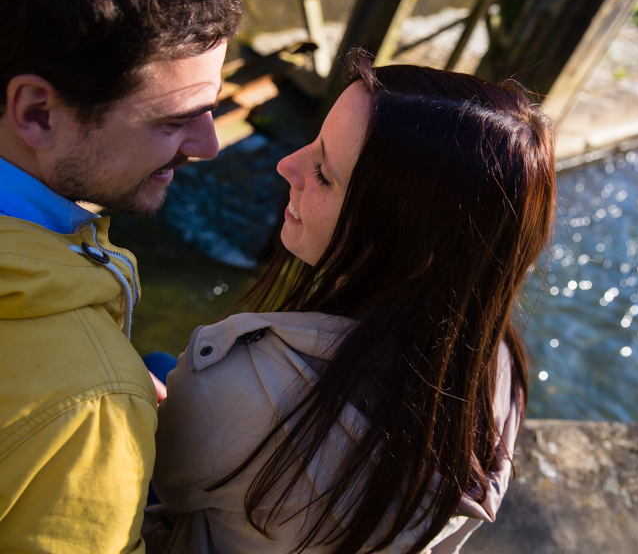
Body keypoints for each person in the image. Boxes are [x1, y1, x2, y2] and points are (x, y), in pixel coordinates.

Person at [146, 54, 557, 554]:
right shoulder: (497, 369)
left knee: (150, 371)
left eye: (323, 173)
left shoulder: (239, 385)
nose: (286, 165)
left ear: (410, 248)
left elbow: (164, 489)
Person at [0, 0, 241, 551]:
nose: (210, 144)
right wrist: (111, 396)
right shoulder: (92, 408)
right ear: (36, 112)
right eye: (176, 118)